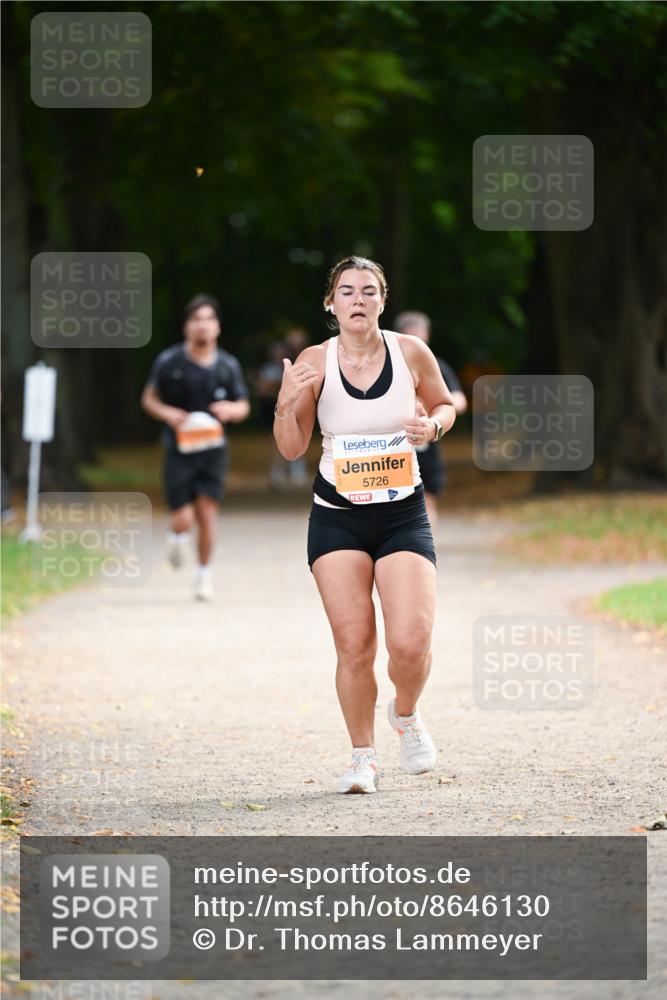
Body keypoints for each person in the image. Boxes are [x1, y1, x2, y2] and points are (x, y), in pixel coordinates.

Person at [273, 256, 456, 793]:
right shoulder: (314, 359)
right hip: (338, 519)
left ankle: (405, 713)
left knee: (411, 643)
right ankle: (362, 758)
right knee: (354, 644)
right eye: (347, 291)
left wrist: (434, 427)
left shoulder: (410, 353)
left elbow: (444, 404)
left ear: (383, 299)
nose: (358, 299)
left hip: (402, 514)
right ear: (330, 302)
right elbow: (291, 448)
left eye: (368, 291)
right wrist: (286, 404)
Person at [141, 294, 250, 601]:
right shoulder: (168, 361)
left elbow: (243, 405)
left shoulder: (228, 366)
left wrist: (232, 410)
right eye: (196, 319)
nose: (203, 325)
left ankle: (203, 575)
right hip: (178, 449)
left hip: (213, 450)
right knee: (183, 516)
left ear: (217, 327)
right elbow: (149, 398)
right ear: (186, 327)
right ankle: (177, 536)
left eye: (208, 319)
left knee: (206, 512)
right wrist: (167, 414)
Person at [394, 311, 468, 530]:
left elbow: (459, 400)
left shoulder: (436, 366)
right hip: (390, 444)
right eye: (411, 335)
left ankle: (424, 545)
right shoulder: (384, 365)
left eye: (421, 335)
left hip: (426, 445)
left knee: (427, 498)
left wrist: (433, 412)